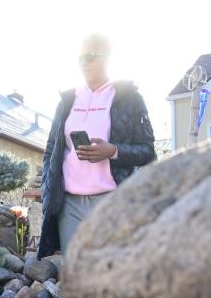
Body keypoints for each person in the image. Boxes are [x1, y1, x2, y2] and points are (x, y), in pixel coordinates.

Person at [38, 35, 156, 259]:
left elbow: (148, 150)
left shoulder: (129, 98)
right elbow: (51, 149)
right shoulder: (67, 101)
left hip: (111, 203)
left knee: (113, 272)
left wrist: (112, 151)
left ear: (108, 59)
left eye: (90, 57)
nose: (84, 63)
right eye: (80, 58)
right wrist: (48, 187)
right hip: (69, 205)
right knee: (76, 274)